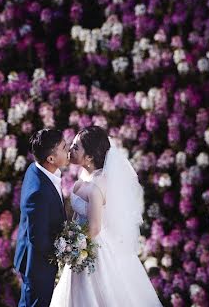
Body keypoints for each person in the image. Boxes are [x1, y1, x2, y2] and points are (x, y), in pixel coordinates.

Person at [49, 125, 162, 307]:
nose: (70, 149)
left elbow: (94, 228)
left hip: (90, 248)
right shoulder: (87, 178)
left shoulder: (96, 187)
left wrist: (72, 246)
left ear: (90, 157)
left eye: (76, 147)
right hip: (82, 245)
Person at [14, 128, 69, 306]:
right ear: (51, 159)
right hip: (37, 263)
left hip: (39, 257)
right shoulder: (38, 192)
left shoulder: (37, 168)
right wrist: (63, 252)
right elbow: (37, 237)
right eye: (64, 147)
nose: (68, 149)